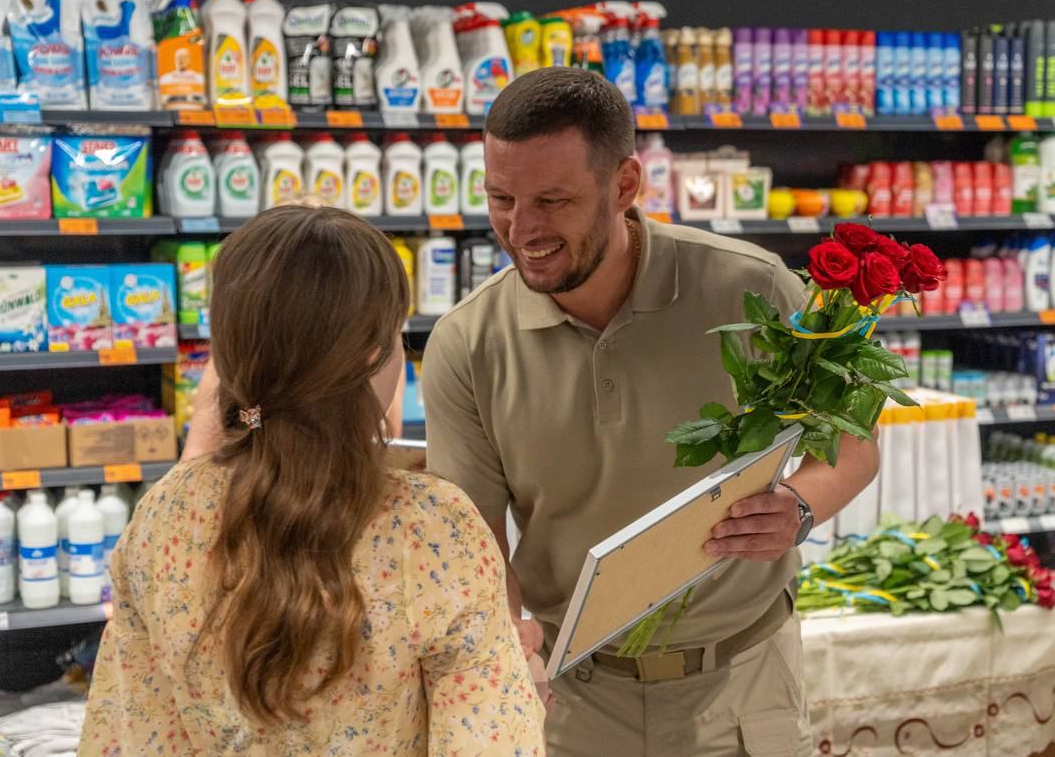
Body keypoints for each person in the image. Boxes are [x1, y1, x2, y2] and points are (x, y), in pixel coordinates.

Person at [420, 67, 880, 756]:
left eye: (552, 200)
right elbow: (477, 543)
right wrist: (507, 650)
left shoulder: (751, 289)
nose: (521, 229)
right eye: (500, 198)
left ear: (625, 186)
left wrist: (801, 508)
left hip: (743, 681)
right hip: (571, 698)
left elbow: (853, 443)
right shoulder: (466, 343)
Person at [78, 206, 544, 756]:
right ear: (373, 356)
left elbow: (128, 737)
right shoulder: (434, 529)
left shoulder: (164, 516)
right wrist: (521, 691)